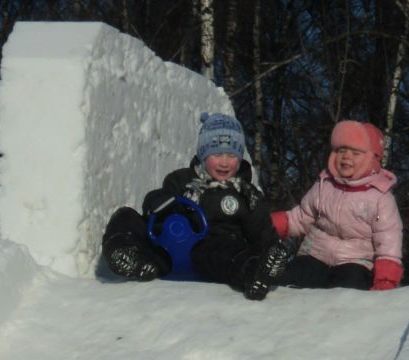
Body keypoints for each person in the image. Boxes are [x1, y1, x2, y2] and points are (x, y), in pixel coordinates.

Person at [101, 112, 290, 300]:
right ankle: (128, 254)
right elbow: (154, 204)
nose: (224, 162)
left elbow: (261, 232)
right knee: (126, 216)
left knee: (224, 250)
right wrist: (158, 202)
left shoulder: (246, 195)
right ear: (203, 154)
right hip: (167, 250)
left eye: (232, 155)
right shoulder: (181, 180)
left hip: (212, 256)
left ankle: (253, 272)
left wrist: (272, 252)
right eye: (216, 154)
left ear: (240, 159)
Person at [267, 121, 404, 293]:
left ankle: (339, 316)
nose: (346, 157)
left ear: (372, 159)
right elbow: (302, 217)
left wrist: (385, 279)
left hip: (356, 261)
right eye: (341, 151)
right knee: (289, 281)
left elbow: (388, 238)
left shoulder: (380, 197)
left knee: (348, 289)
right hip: (315, 254)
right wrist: (267, 224)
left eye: (355, 153)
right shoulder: (324, 185)